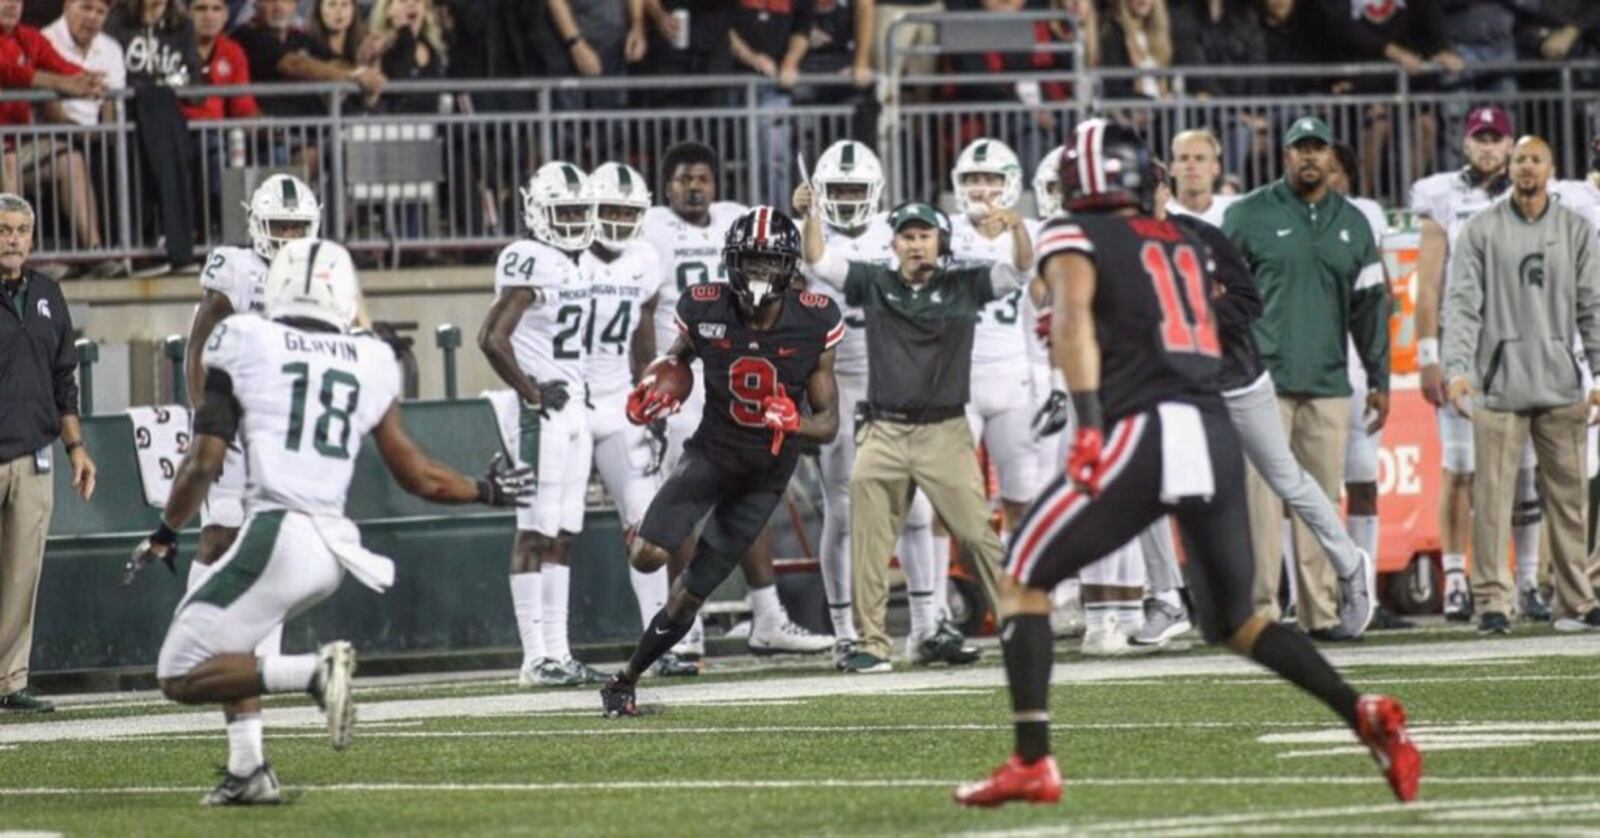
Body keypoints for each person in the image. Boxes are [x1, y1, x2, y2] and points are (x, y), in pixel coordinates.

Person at [954, 118, 1418, 808]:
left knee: (1022, 570)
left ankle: (1032, 759)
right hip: (1210, 426)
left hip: (1146, 427)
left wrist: (1089, 426)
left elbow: (1077, 321)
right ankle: (1362, 711)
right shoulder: (1184, 240)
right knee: (1236, 622)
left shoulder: (1073, 234)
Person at [125, 239, 530, 805]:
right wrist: (487, 490)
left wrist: (167, 530)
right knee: (230, 646)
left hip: (277, 531)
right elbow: (416, 473)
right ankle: (250, 772)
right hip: (331, 548)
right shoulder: (368, 358)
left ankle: (316, 673)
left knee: (178, 670)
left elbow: (204, 461)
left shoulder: (243, 339)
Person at [599, 206, 843, 717]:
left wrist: (792, 421)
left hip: (765, 476)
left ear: (789, 267)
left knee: (689, 597)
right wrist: (657, 384)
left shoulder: (815, 317)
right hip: (711, 453)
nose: (757, 273)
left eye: (768, 262)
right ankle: (649, 528)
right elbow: (676, 357)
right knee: (647, 556)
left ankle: (625, 679)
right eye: (749, 261)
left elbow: (828, 424)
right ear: (731, 261)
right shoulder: (705, 305)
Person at [800, 196, 1030, 673]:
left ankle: (1018, 624)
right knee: (868, 537)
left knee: (975, 533)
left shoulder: (963, 285)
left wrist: (1018, 230)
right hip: (882, 427)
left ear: (939, 242)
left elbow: (1019, 273)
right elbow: (819, 260)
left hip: (944, 430)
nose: (916, 245)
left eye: (925, 236)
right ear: (895, 243)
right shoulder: (877, 282)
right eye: (908, 236)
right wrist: (811, 217)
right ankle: (872, 643)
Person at [639, 141, 832, 660]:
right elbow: (645, 304)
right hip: (692, 373)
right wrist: (654, 373)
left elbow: (780, 257)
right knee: (681, 504)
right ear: (666, 187)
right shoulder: (650, 227)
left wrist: (799, 213)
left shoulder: (737, 221)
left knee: (751, 496)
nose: (694, 186)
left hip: (751, 366)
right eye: (683, 179)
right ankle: (689, 628)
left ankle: (768, 615)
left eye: (702, 177)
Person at [1223, 116, 1390, 641]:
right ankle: (1261, 611)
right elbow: (1218, 293)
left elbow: (1370, 306)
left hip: (1327, 379)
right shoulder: (1247, 215)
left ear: (1331, 158)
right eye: (1300, 149)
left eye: (1317, 149)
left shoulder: (1354, 223)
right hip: (1259, 380)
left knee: (1319, 496)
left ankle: (1320, 611)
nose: (1309, 158)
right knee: (1260, 498)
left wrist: (1380, 377)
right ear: (1286, 156)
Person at [798, 140, 958, 671]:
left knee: (917, 509)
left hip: (895, 381)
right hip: (834, 380)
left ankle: (926, 627)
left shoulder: (901, 230)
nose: (846, 200)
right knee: (844, 512)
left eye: (854, 190)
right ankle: (846, 632)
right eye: (836, 190)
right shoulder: (803, 234)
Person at [1441, 136, 1600, 635]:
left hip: (1559, 383)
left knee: (1570, 501)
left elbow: (1593, 307)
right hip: (1499, 384)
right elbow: (1462, 303)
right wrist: (1457, 368)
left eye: (1536, 159)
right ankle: (1492, 601)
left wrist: (1599, 373)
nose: (1527, 167)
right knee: (1492, 499)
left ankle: (1576, 600)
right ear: (1509, 168)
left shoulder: (1575, 230)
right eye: (1521, 160)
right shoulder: (1480, 229)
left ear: (1551, 168)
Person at [182, 173, 320, 697]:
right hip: (233, 417)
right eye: (278, 225)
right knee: (220, 529)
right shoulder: (236, 267)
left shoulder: (321, 273)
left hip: (284, 425)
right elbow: (198, 345)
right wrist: (205, 420)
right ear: (258, 225)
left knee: (277, 538)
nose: (287, 236)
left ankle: (265, 655)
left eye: (296, 226)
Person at [1410, 105, 1542, 622]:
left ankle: (1528, 578)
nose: (1488, 147)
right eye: (1480, 138)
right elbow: (1428, 284)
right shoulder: (1442, 195)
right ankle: (1457, 580)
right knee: (1461, 467)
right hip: (1465, 345)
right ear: (1466, 144)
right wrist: (1428, 353)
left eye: (1496, 139)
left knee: (1527, 470)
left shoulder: (1534, 192)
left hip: (1521, 343)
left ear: (1510, 146)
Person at [478, 162, 605, 688]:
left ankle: (559, 651)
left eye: (579, 211)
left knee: (563, 534)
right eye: (564, 212)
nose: (574, 221)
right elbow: (491, 337)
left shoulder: (577, 263)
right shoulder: (529, 258)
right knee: (533, 530)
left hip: (573, 405)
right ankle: (534, 658)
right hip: (542, 411)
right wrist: (531, 393)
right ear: (537, 212)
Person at [579, 161, 680, 673]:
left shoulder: (643, 257)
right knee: (550, 528)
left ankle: (658, 645)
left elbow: (643, 335)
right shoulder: (565, 254)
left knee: (647, 523)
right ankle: (545, 650)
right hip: (570, 402)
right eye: (609, 210)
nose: (617, 220)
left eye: (626, 211)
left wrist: (649, 397)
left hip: (619, 398)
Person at [0, 194, 96, 713]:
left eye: (20, 230)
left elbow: (65, 379)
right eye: (3, 230)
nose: (11, 238)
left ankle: (10, 680)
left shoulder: (47, 295)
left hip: (36, 451)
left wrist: (75, 447)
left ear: (32, 239)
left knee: (22, 573)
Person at [949, 138, 1041, 540]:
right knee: (946, 493)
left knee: (1022, 491)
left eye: (990, 178)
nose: (980, 188)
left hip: (1014, 376)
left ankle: (1020, 586)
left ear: (1010, 183)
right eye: (972, 178)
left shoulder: (1031, 232)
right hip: (957, 378)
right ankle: (936, 596)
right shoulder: (941, 231)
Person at [1328, 142, 1389, 622]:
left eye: (1336, 171)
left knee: (1364, 481)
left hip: (1356, 367)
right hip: (1313, 370)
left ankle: (1366, 591)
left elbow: (1379, 297)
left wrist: (1379, 372)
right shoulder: (1288, 221)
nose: (1328, 180)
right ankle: (1311, 592)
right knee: (1309, 488)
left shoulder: (1363, 216)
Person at [730, 0, 810, 205]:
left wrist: (791, 62)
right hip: (730, 81)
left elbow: (802, 28)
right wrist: (752, 58)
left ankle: (776, 218)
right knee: (734, 156)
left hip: (774, 87)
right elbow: (722, 25)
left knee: (775, 159)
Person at [1166, 129, 1237, 227]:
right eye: (1183, 158)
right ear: (1172, 168)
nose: (1191, 165)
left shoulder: (1233, 211)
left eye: (1200, 158)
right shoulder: (1160, 213)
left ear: (1216, 168)